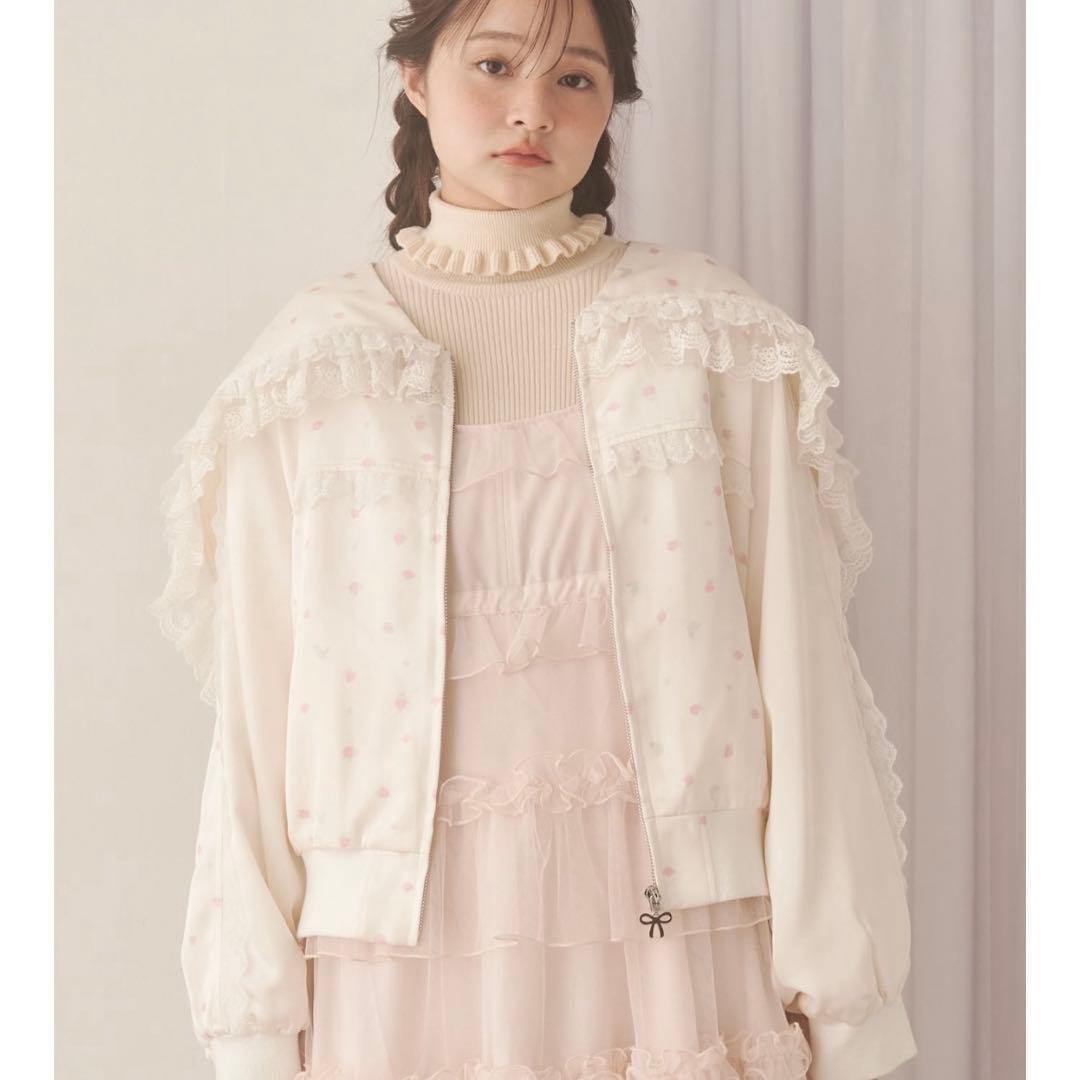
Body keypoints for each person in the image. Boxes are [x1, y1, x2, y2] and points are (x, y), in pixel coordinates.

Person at [149, 1, 917, 1077]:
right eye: (495, 65)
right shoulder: (312, 372)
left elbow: (800, 673)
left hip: (670, 934)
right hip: (392, 970)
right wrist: (251, 1033)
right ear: (416, 78)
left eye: (575, 79)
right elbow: (257, 721)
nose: (532, 110)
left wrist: (845, 1005)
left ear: (612, 105)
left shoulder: (703, 335)